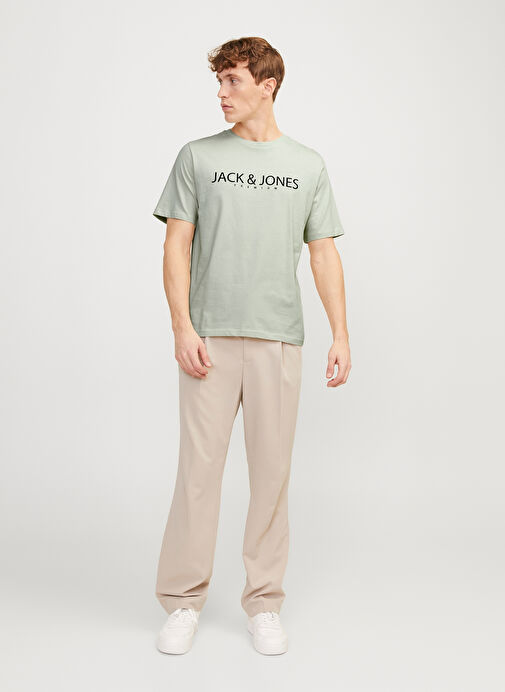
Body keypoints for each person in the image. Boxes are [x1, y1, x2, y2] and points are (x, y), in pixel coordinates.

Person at [152, 36, 351, 656]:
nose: (221, 93)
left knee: (271, 478)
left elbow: (323, 252)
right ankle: (182, 602)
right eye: (219, 81)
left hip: (277, 339)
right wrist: (182, 327)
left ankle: (264, 604)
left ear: (268, 86)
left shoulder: (307, 165)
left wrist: (341, 333)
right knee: (197, 475)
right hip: (209, 340)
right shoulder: (197, 157)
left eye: (233, 81)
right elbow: (176, 244)